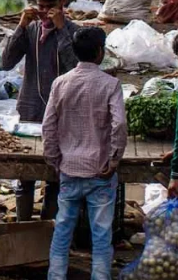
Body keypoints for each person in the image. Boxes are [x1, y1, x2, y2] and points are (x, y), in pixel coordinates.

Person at [44, 26, 126, 280]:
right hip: (100, 172)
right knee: (101, 234)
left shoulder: (61, 83)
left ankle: (56, 276)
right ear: (100, 52)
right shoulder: (111, 85)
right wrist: (114, 158)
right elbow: (119, 125)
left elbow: (48, 126)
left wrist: (54, 158)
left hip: (69, 168)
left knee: (63, 230)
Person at [2, 0, 78, 221]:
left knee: (54, 177)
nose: (44, 13)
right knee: (25, 175)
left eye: (50, 7)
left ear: (62, 3)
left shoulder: (73, 33)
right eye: (41, 7)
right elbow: (6, 62)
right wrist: (20, 27)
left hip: (60, 114)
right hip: (30, 110)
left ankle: (47, 229)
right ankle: (23, 226)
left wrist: (61, 30)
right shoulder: (31, 29)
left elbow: (76, 68)